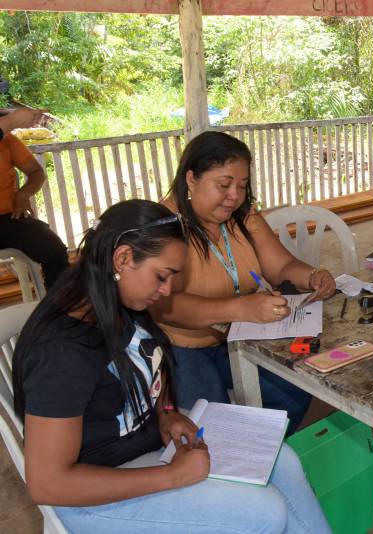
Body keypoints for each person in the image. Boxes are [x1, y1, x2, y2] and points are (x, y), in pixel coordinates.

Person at [12, 199, 330, 533]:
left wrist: (165, 409)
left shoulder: (119, 295)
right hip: (93, 496)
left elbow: (150, 358)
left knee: (283, 460)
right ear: (122, 258)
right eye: (161, 277)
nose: (165, 292)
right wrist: (173, 476)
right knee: (265, 513)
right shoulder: (62, 352)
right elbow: (49, 483)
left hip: (145, 449)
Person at [150, 131, 336, 434]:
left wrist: (314, 276)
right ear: (191, 179)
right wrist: (240, 308)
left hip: (234, 338)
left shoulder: (242, 216)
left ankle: (264, 455)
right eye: (223, 185)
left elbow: (282, 266)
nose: (234, 196)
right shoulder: (165, 225)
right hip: (177, 346)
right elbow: (165, 306)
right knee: (214, 426)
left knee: (296, 388)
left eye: (242, 185)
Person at [0, 106, 68, 288]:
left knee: (54, 250)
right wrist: (13, 120)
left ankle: (56, 309)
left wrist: (24, 194)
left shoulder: (8, 141)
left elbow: (37, 173)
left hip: (8, 217)